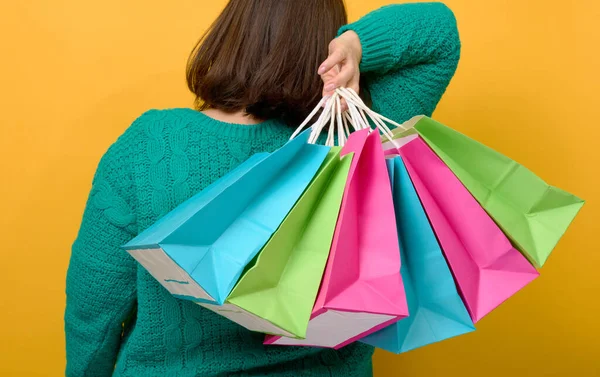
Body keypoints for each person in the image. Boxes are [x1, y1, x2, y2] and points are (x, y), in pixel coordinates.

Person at [64, 1, 460, 376]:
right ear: (322, 45)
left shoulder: (149, 145)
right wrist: (355, 43)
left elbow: (94, 312)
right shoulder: (359, 141)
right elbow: (440, 35)